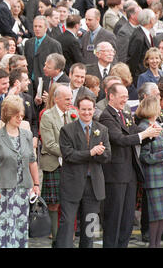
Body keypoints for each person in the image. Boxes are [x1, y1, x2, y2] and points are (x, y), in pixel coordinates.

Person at [99, 83, 162, 248]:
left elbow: (135, 133)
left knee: (127, 218)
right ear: (111, 96)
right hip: (115, 173)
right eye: (122, 97)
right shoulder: (106, 116)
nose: (125, 100)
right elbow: (119, 139)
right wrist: (144, 134)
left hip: (130, 173)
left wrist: (152, 133)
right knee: (114, 217)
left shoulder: (125, 114)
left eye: (126, 97)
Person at [55, 95, 111, 248]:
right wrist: (91, 153)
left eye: (89, 109)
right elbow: (68, 155)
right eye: (83, 109)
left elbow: (107, 156)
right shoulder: (67, 130)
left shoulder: (102, 129)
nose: (87, 113)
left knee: (89, 226)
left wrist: (99, 153)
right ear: (77, 110)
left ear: (94, 110)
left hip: (94, 185)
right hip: (72, 183)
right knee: (67, 223)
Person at [0, 95, 40, 248]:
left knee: (20, 227)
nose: (20, 118)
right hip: (2, 189)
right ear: (8, 115)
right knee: (0, 226)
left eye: (22, 115)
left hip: (23, 189)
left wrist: (36, 184)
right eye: (17, 115)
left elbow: (32, 161)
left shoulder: (27, 135)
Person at [39, 85, 78, 247]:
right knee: (54, 203)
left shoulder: (73, 115)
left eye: (71, 98)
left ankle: (67, 238)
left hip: (70, 166)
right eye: (67, 99)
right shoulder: (47, 116)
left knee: (68, 201)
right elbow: (49, 144)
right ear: (56, 99)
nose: (71, 102)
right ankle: (56, 240)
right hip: (54, 164)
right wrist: (71, 153)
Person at [136, 95, 163, 248]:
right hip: (153, 177)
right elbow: (144, 156)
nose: (161, 108)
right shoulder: (144, 127)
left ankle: (156, 244)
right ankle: (153, 245)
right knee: (156, 215)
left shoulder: (157, 124)